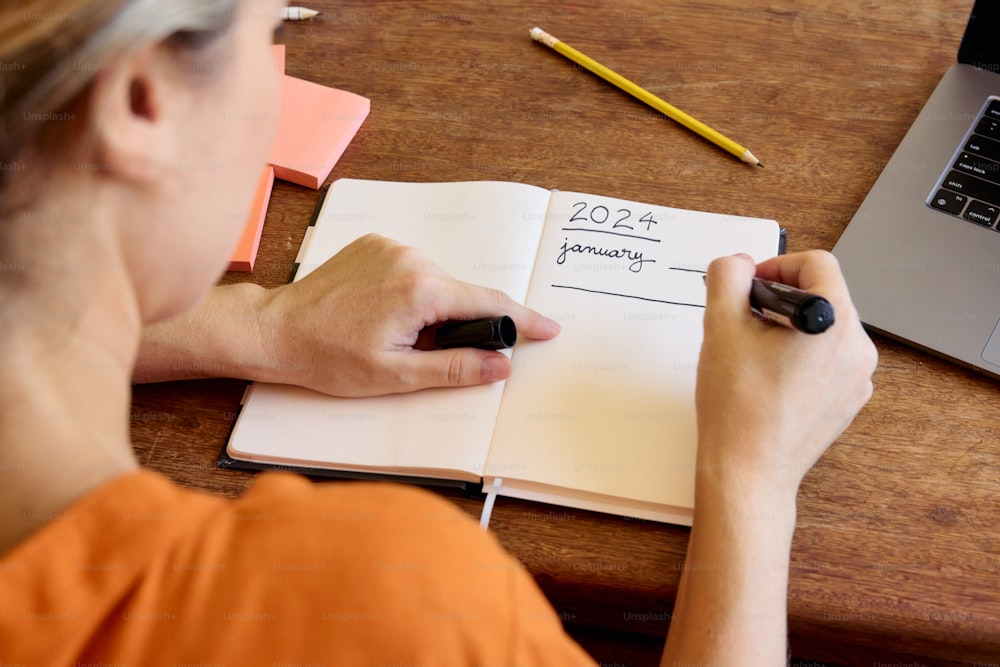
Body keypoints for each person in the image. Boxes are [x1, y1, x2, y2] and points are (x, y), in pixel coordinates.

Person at [0, 1, 878, 665]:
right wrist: (753, 478)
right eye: (271, 38)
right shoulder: (380, 607)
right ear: (139, 107)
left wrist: (257, 319)